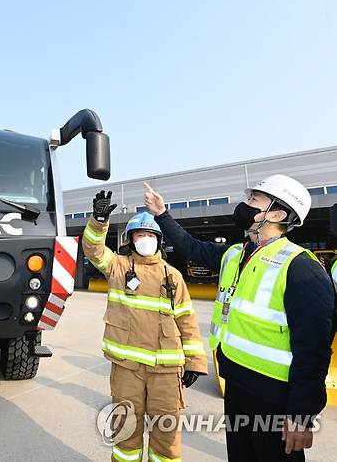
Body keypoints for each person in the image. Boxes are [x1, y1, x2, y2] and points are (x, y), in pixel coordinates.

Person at [143, 175, 336, 461]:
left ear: (277, 214)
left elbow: (315, 350)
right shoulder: (235, 253)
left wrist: (301, 415)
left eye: (253, 200)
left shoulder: (301, 267)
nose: (244, 204)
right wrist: (162, 214)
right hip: (235, 383)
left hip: (274, 396)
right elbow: (191, 246)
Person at [83, 191, 207, 462]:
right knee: (126, 431)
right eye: (140, 235)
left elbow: (187, 320)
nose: (145, 240)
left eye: (150, 236)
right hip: (127, 368)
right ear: (130, 240)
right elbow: (93, 249)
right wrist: (99, 220)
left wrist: (195, 363)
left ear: (159, 241)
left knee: (167, 435)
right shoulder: (117, 267)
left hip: (167, 371)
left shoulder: (172, 276)